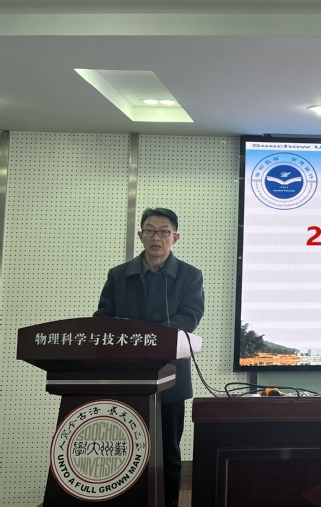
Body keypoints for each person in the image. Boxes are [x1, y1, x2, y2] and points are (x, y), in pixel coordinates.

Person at [94, 207, 204, 507]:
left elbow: (190, 317)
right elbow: (104, 317)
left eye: (164, 231)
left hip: (170, 379)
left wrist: (148, 337)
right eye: (151, 231)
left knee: (168, 453)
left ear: (175, 237)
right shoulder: (119, 275)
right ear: (141, 235)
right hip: (126, 378)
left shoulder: (190, 276)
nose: (157, 237)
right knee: (125, 448)